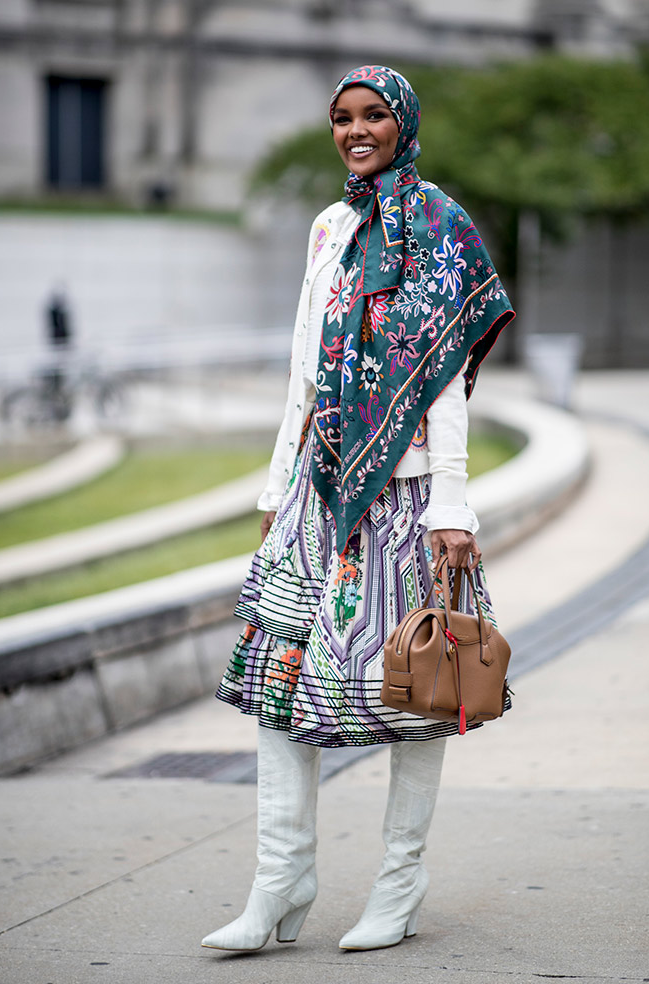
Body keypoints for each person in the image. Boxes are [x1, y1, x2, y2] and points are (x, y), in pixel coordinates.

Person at [202, 65, 514, 954]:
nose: (356, 129)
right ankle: (279, 885)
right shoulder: (329, 227)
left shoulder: (439, 226)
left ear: (402, 123)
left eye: (373, 114)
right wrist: (274, 488)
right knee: (278, 685)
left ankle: (398, 885)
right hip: (318, 488)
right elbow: (304, 370)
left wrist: (450, 502)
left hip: (409, 495)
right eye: (342, 117)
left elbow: (443, 380)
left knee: (417, 684)